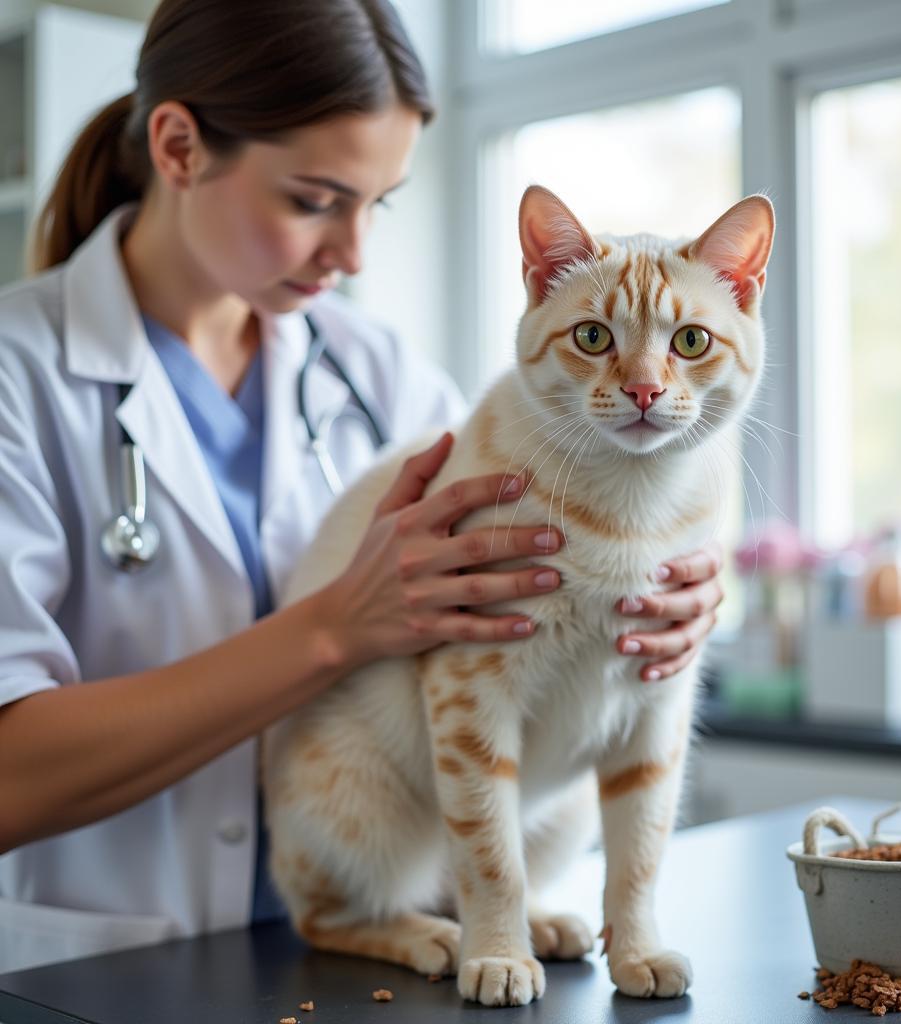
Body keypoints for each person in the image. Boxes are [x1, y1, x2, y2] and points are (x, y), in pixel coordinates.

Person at [0, 0, 724, 976]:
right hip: (115, 962)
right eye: (313, 199)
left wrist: (670, 596)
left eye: (377, 203)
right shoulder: (20, 372)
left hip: (372, 953)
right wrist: (339, 625)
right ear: (177, 146)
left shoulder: (377, 373)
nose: (354, 255)